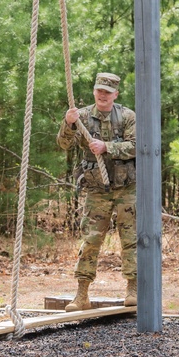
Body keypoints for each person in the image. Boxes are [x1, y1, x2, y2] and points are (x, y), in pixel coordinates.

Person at [58, 72, 137, 311]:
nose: (102, 95)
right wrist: (69, 124)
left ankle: (133, 288)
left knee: (131, 239)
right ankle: (82, 294)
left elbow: (136, 145)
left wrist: (107, 147)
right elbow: (63, 144)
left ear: (116, 94)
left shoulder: (126, 116)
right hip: (96, 189)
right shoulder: (81, 116)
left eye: (107, 91)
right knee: (90, 239)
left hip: (126, 188)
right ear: (94, 91)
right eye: (99, 90)